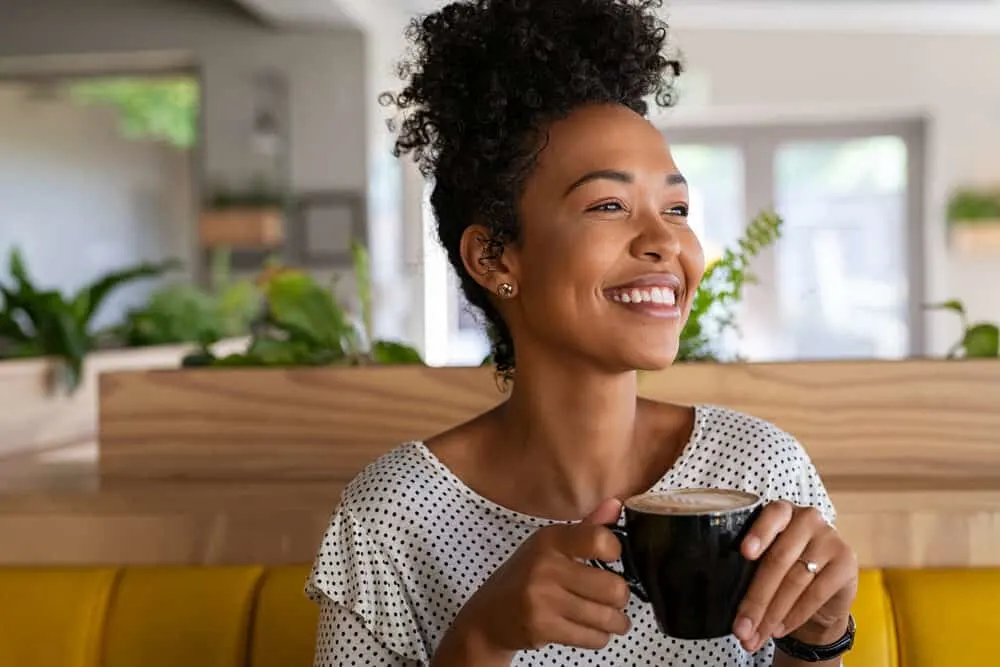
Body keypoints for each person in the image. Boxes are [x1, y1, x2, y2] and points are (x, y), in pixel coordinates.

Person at [306, 0, 859, 665]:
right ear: (495, 257)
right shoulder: (390, 515)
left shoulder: (761, 468)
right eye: (609, 205)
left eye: (677, 208)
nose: (666, 241)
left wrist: (821, 636)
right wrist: (483, 635)